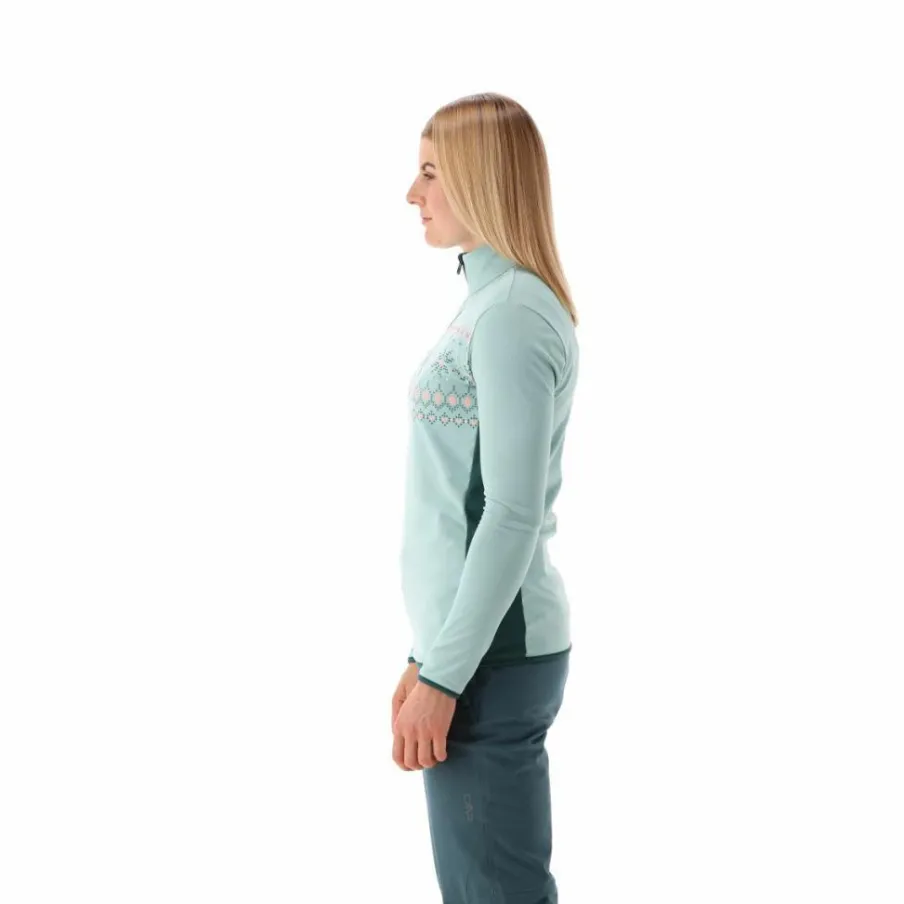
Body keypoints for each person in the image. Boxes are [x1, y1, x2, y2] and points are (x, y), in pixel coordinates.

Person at [392, 92, 580, 904]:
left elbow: (507, 515)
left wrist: (444, 676)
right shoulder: (489, 305)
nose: (413, 193)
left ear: (481, 178)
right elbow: (455, 501)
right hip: (472, 656)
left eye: (431, 172)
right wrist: (423, 656)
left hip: (489, 663)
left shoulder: (509, 316)